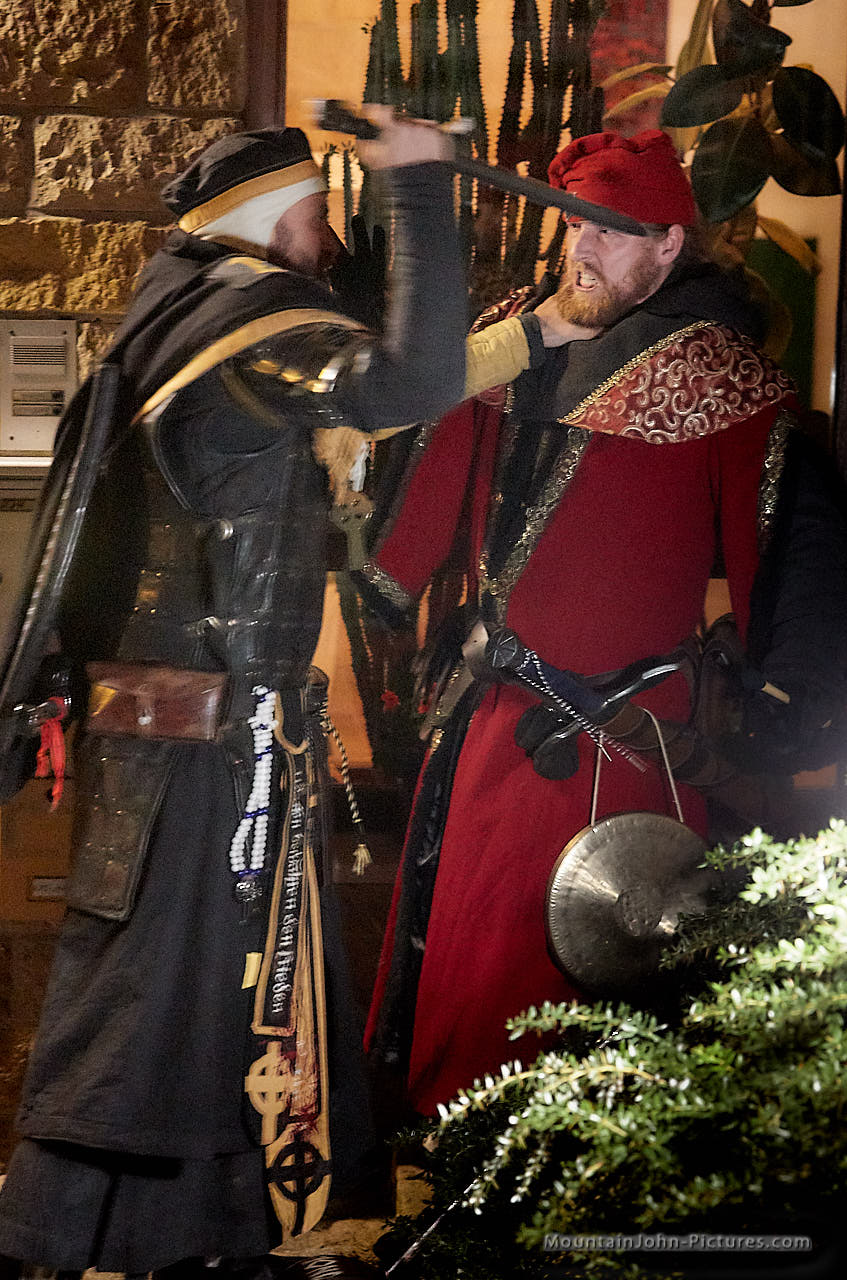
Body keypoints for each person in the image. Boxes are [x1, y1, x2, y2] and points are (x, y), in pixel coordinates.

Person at [0, 110, 470, 1279]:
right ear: (267, 218)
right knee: (162, 989)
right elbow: (413, 377)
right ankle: (76, 1235)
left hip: (190, 726)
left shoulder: (186, 318)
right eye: (315, 215)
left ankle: (185, 1237)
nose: (326, 239)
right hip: (207, 733)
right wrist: (420, 189)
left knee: (192, 990)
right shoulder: (248, 335)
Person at [357, 130, 847, 1115]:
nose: (578, 247)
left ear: (667, 245)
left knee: (592, 1004)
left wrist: (787, 696)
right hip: (492, 723)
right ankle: (458, 1163)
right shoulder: (514, 339)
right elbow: (421, 470)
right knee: (468, 988)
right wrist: (386, 579)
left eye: (608, 230)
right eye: (569, 223)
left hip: (629, 747)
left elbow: (798, 541)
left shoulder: (720, 377)